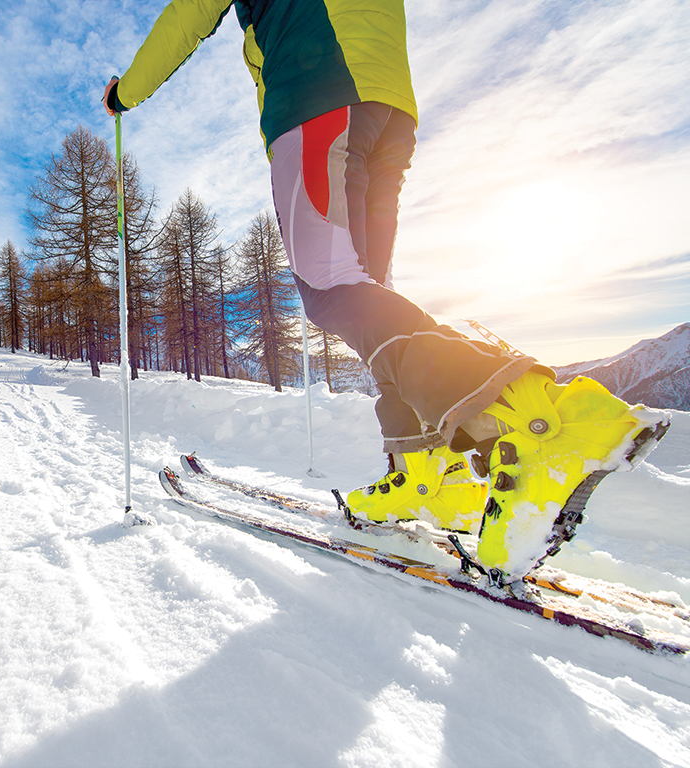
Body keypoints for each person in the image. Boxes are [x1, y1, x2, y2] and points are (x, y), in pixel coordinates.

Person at [103, 0, 669, 585]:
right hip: (389, 105)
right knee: (371, 294)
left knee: (332, 287)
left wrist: (126, 93)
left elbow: (190, 13)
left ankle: (536, 421)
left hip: (317, 91)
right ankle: (428, 472)